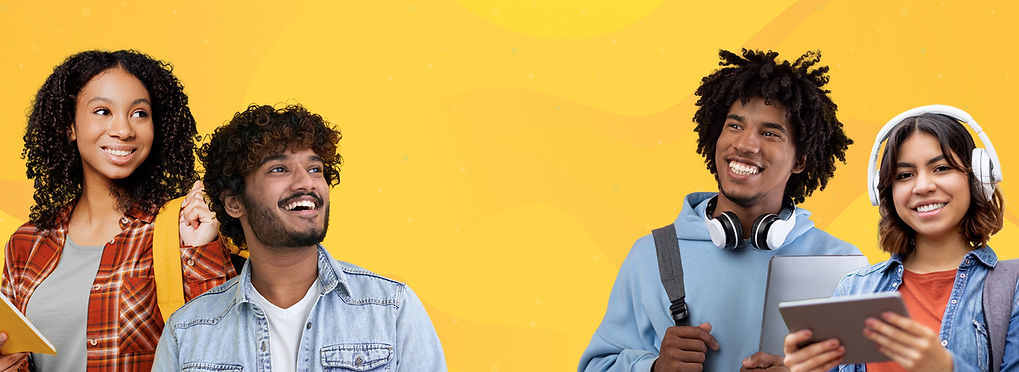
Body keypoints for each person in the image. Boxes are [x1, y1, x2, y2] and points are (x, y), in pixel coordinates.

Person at [578, 49, 860, 372]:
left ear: (800, 160)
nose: (745, 144)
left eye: (769, 133)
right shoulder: (652, 256)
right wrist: (654, 368)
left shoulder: (843, 268)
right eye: (735, 126)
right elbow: (595, 366)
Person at [152, 104, 447, 371]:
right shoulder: (188, 331)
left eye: (315, 169)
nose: (307, 182)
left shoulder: (392, 309)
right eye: (279, 169)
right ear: (233, 202)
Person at [0, 50, 235, 371]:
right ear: (70, 125)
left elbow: (223, 348)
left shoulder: (181, 229)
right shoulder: (27, 243)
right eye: (102, 111)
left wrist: (202, 250)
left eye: (140, 113)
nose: (123, 129)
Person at [783, 107, 1018, 372]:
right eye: (905, 175)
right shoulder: (855, 290)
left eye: (941, 168)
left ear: (978, 177)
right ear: (887, 193)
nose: (922, 186)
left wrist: (947, 368)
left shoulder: (1013, 287)